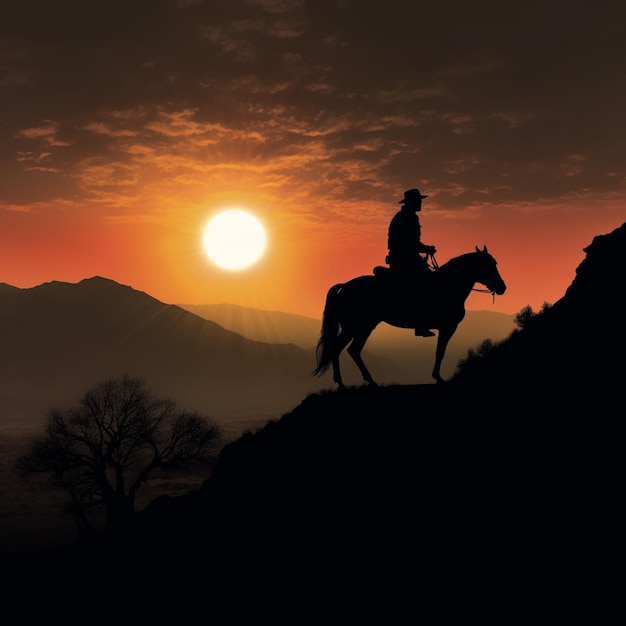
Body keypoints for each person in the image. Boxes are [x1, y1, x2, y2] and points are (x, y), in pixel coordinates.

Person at [386, 188, 437, 336]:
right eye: (419, 200)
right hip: (405, 261)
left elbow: (410, 242)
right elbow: (410, 242)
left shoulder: (403, 216)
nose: (421, 203)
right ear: (412, 202)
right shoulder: (409, 218)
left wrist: (423, 249)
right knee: (425, 285)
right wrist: (426, 248)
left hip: (402, 259)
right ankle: (420, 325)